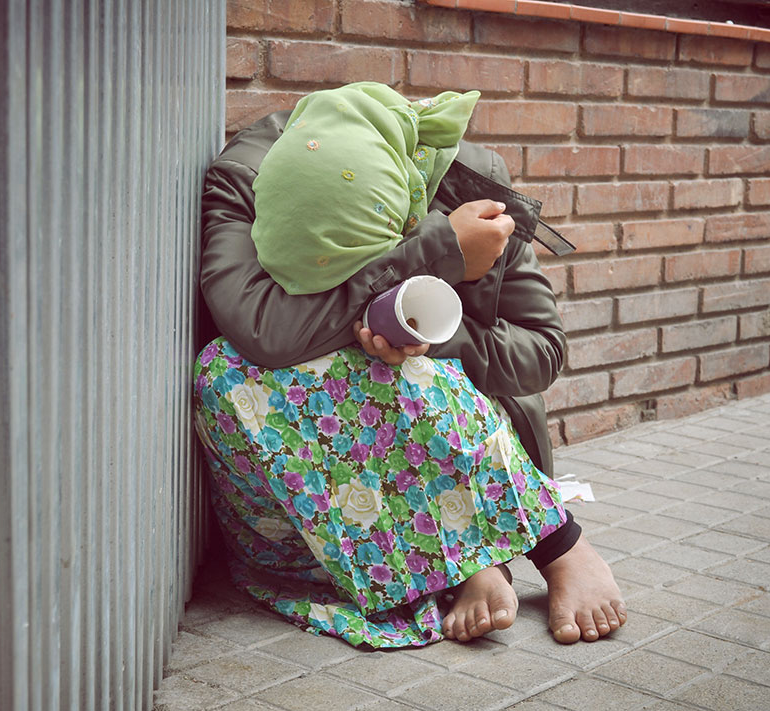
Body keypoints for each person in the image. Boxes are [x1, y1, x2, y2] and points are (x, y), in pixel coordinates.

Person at [194, 82, 624, 649]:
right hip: (321, 453)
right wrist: (426, 253)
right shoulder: (249, 181)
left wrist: (433, 336)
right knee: (235, 366)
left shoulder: (468, 186)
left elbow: (542, 352)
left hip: (463, 429)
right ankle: (466, 562)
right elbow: (265, 332)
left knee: (400, 362)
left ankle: (557, 547)